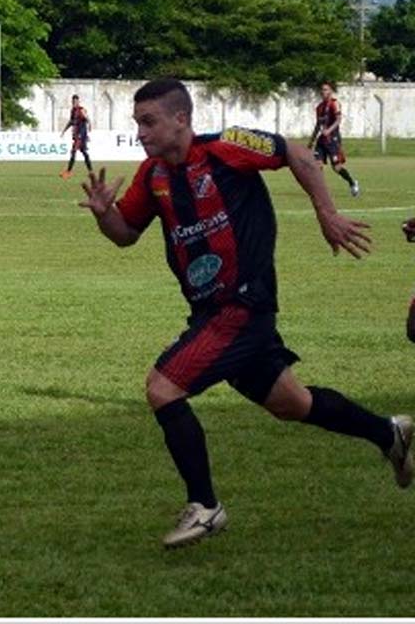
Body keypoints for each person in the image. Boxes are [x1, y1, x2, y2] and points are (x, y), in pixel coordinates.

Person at [78, 78, 412, 549]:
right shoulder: (152, 175)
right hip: (209, 311)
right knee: (293, 404)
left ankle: (206, 506)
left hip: (243, 305)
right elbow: (126, 233)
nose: (141, 133)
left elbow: (296, 153)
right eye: (137, 123)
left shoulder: (226, 147)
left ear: (181, 118)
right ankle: (389, 433)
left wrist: (326, 214)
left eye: (149, 122)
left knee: (162, 387)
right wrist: (102, 214)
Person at [309, 81, 360, 197]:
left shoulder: (334, 103)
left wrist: (329, 130)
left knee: (337, 168)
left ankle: (352, 182)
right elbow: (318, 125)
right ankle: (319, 190)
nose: (323, 92)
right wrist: (311, 141)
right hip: (321, 140)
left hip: (333, 140)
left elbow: (338, 120)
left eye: (326, 89)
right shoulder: (319, 107)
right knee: (317, 165)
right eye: (322, 90)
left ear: (331, 91)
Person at [59, 94, 92, 179]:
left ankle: (68, 172)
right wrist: (64, 131)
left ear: (78, 101)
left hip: (81, 135)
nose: (74, 103)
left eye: (75, 101)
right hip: (77, 135)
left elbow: (87, 119)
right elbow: (71, 122)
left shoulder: (81, 110)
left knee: (74, 151)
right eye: (73, 101)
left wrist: (89, 127)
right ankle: (91, 171)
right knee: (84, 152)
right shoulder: (73, 111)